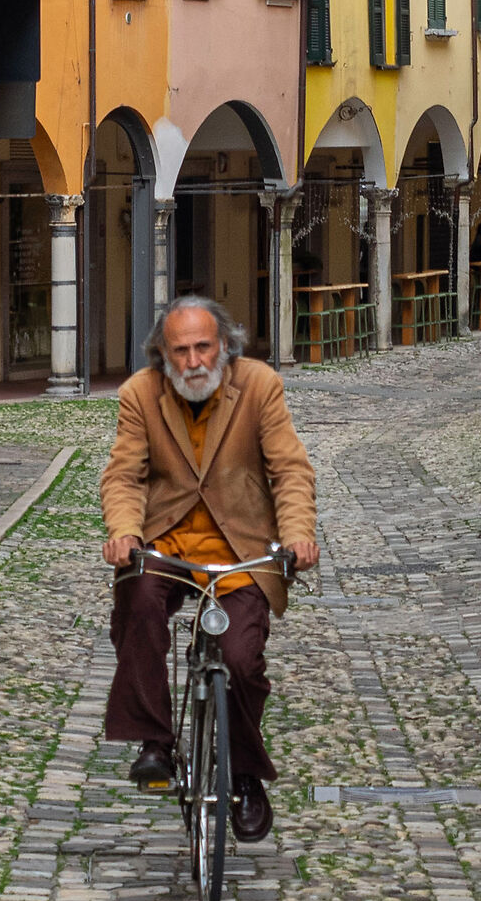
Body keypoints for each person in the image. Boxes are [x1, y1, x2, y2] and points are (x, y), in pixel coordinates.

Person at [100, 295, 318, 842]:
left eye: (203, 347)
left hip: (240, 547)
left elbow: (289, 470)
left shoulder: (260, 386)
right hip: (167, 541)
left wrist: (297, 535)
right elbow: (124, 475)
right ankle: (154, 739)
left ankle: (244, 775)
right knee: (139, 602)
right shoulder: (140, 395)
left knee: (242, 661)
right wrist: (124, 530)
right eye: (181, 351)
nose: (194, 361)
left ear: (224, 345)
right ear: (163, 356)